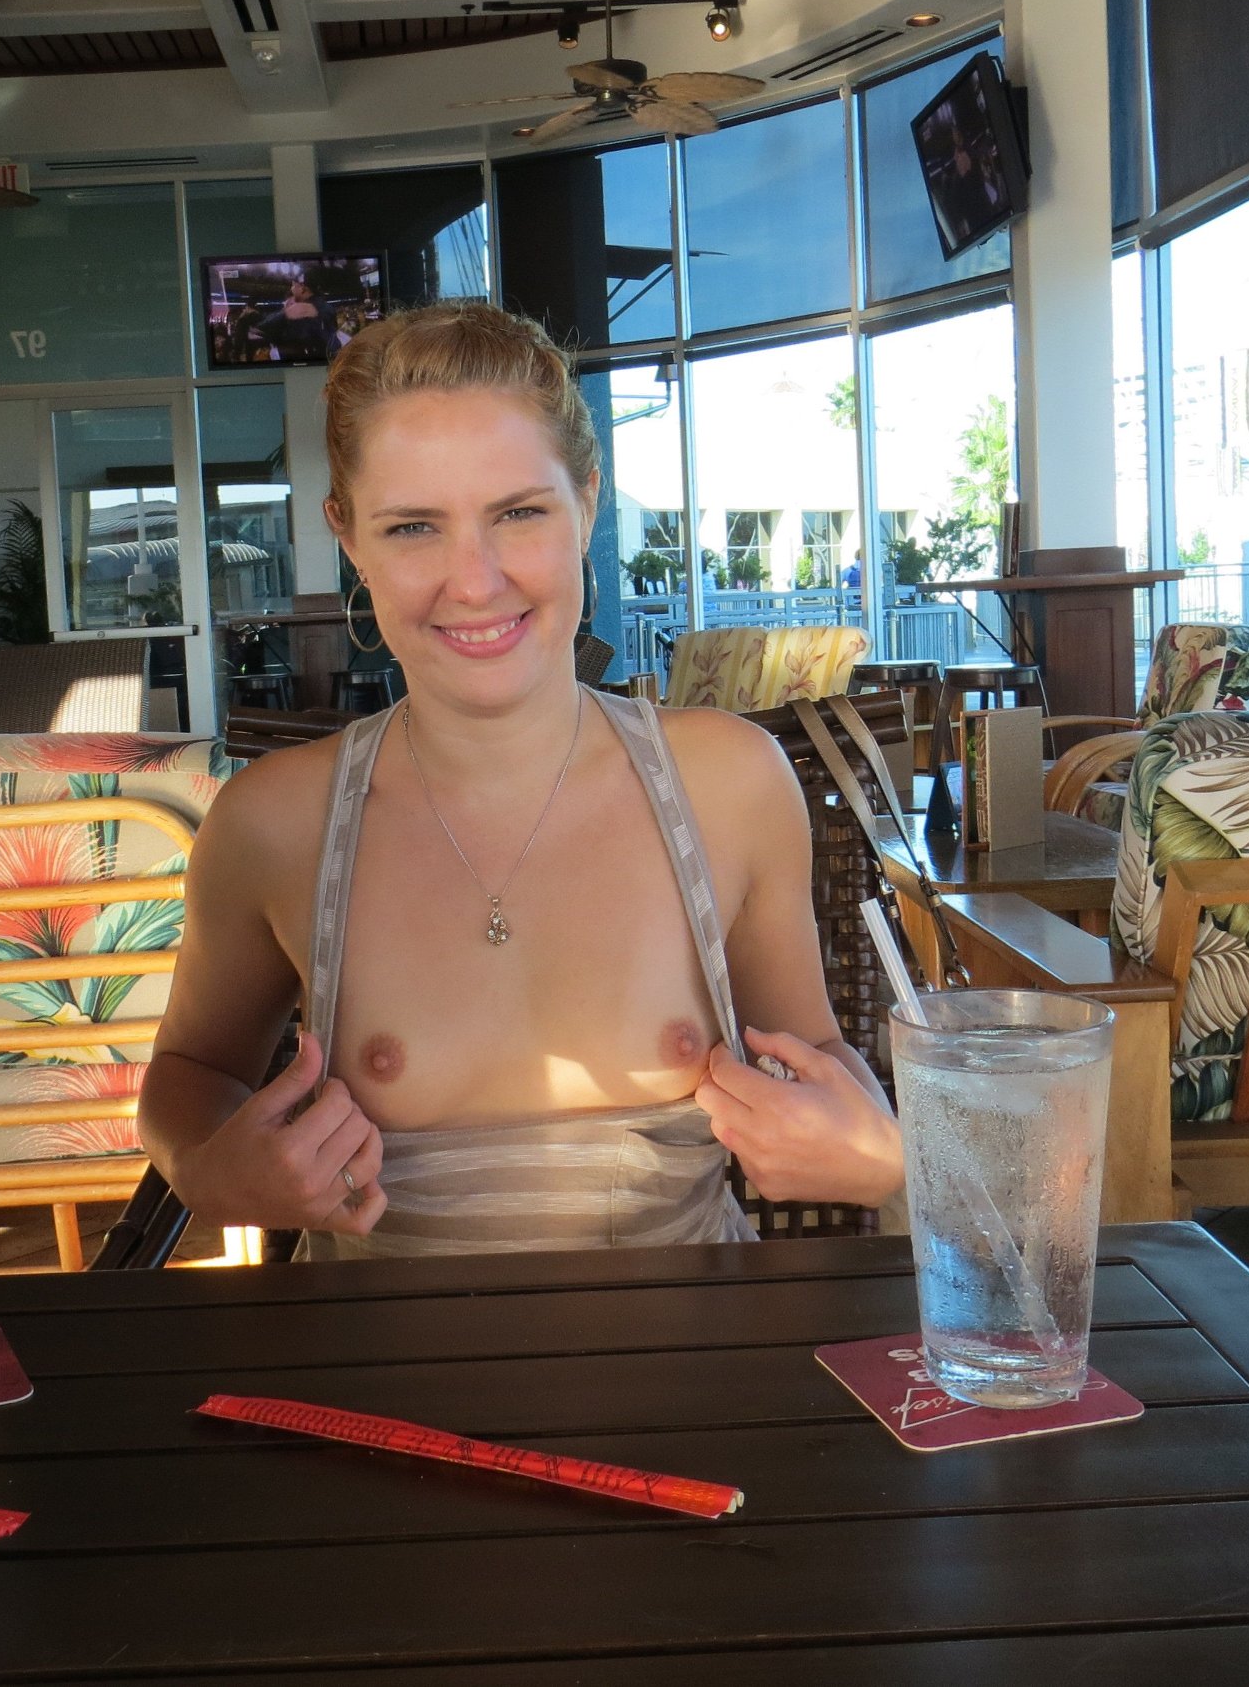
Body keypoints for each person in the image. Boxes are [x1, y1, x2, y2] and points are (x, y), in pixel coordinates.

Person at [139, 301, 905, 1256]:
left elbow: (817, 1052)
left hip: (693, 1347)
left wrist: (879, 1152)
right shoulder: (274, 824)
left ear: (587, 502)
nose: (474, 580)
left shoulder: (731, 784)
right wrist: (209, 1168)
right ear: (349, 536)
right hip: (375, 1356)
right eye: (412, 527)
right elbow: (189, 1070)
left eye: (519, 513)